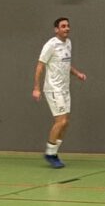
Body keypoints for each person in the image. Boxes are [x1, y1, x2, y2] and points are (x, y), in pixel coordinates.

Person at [32, 17, 86, 169]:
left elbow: (65, 64)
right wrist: (36, 88)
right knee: (60, 121)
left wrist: (77, 73)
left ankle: (54, 152)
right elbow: (40, 66)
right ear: (56, 29)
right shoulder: (50, 45)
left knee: (65, 123)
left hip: (64, 88)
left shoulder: (68, 43)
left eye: (68, 26)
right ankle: (50, 154)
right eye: (63, 26)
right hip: (53, 88)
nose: (67, 28)